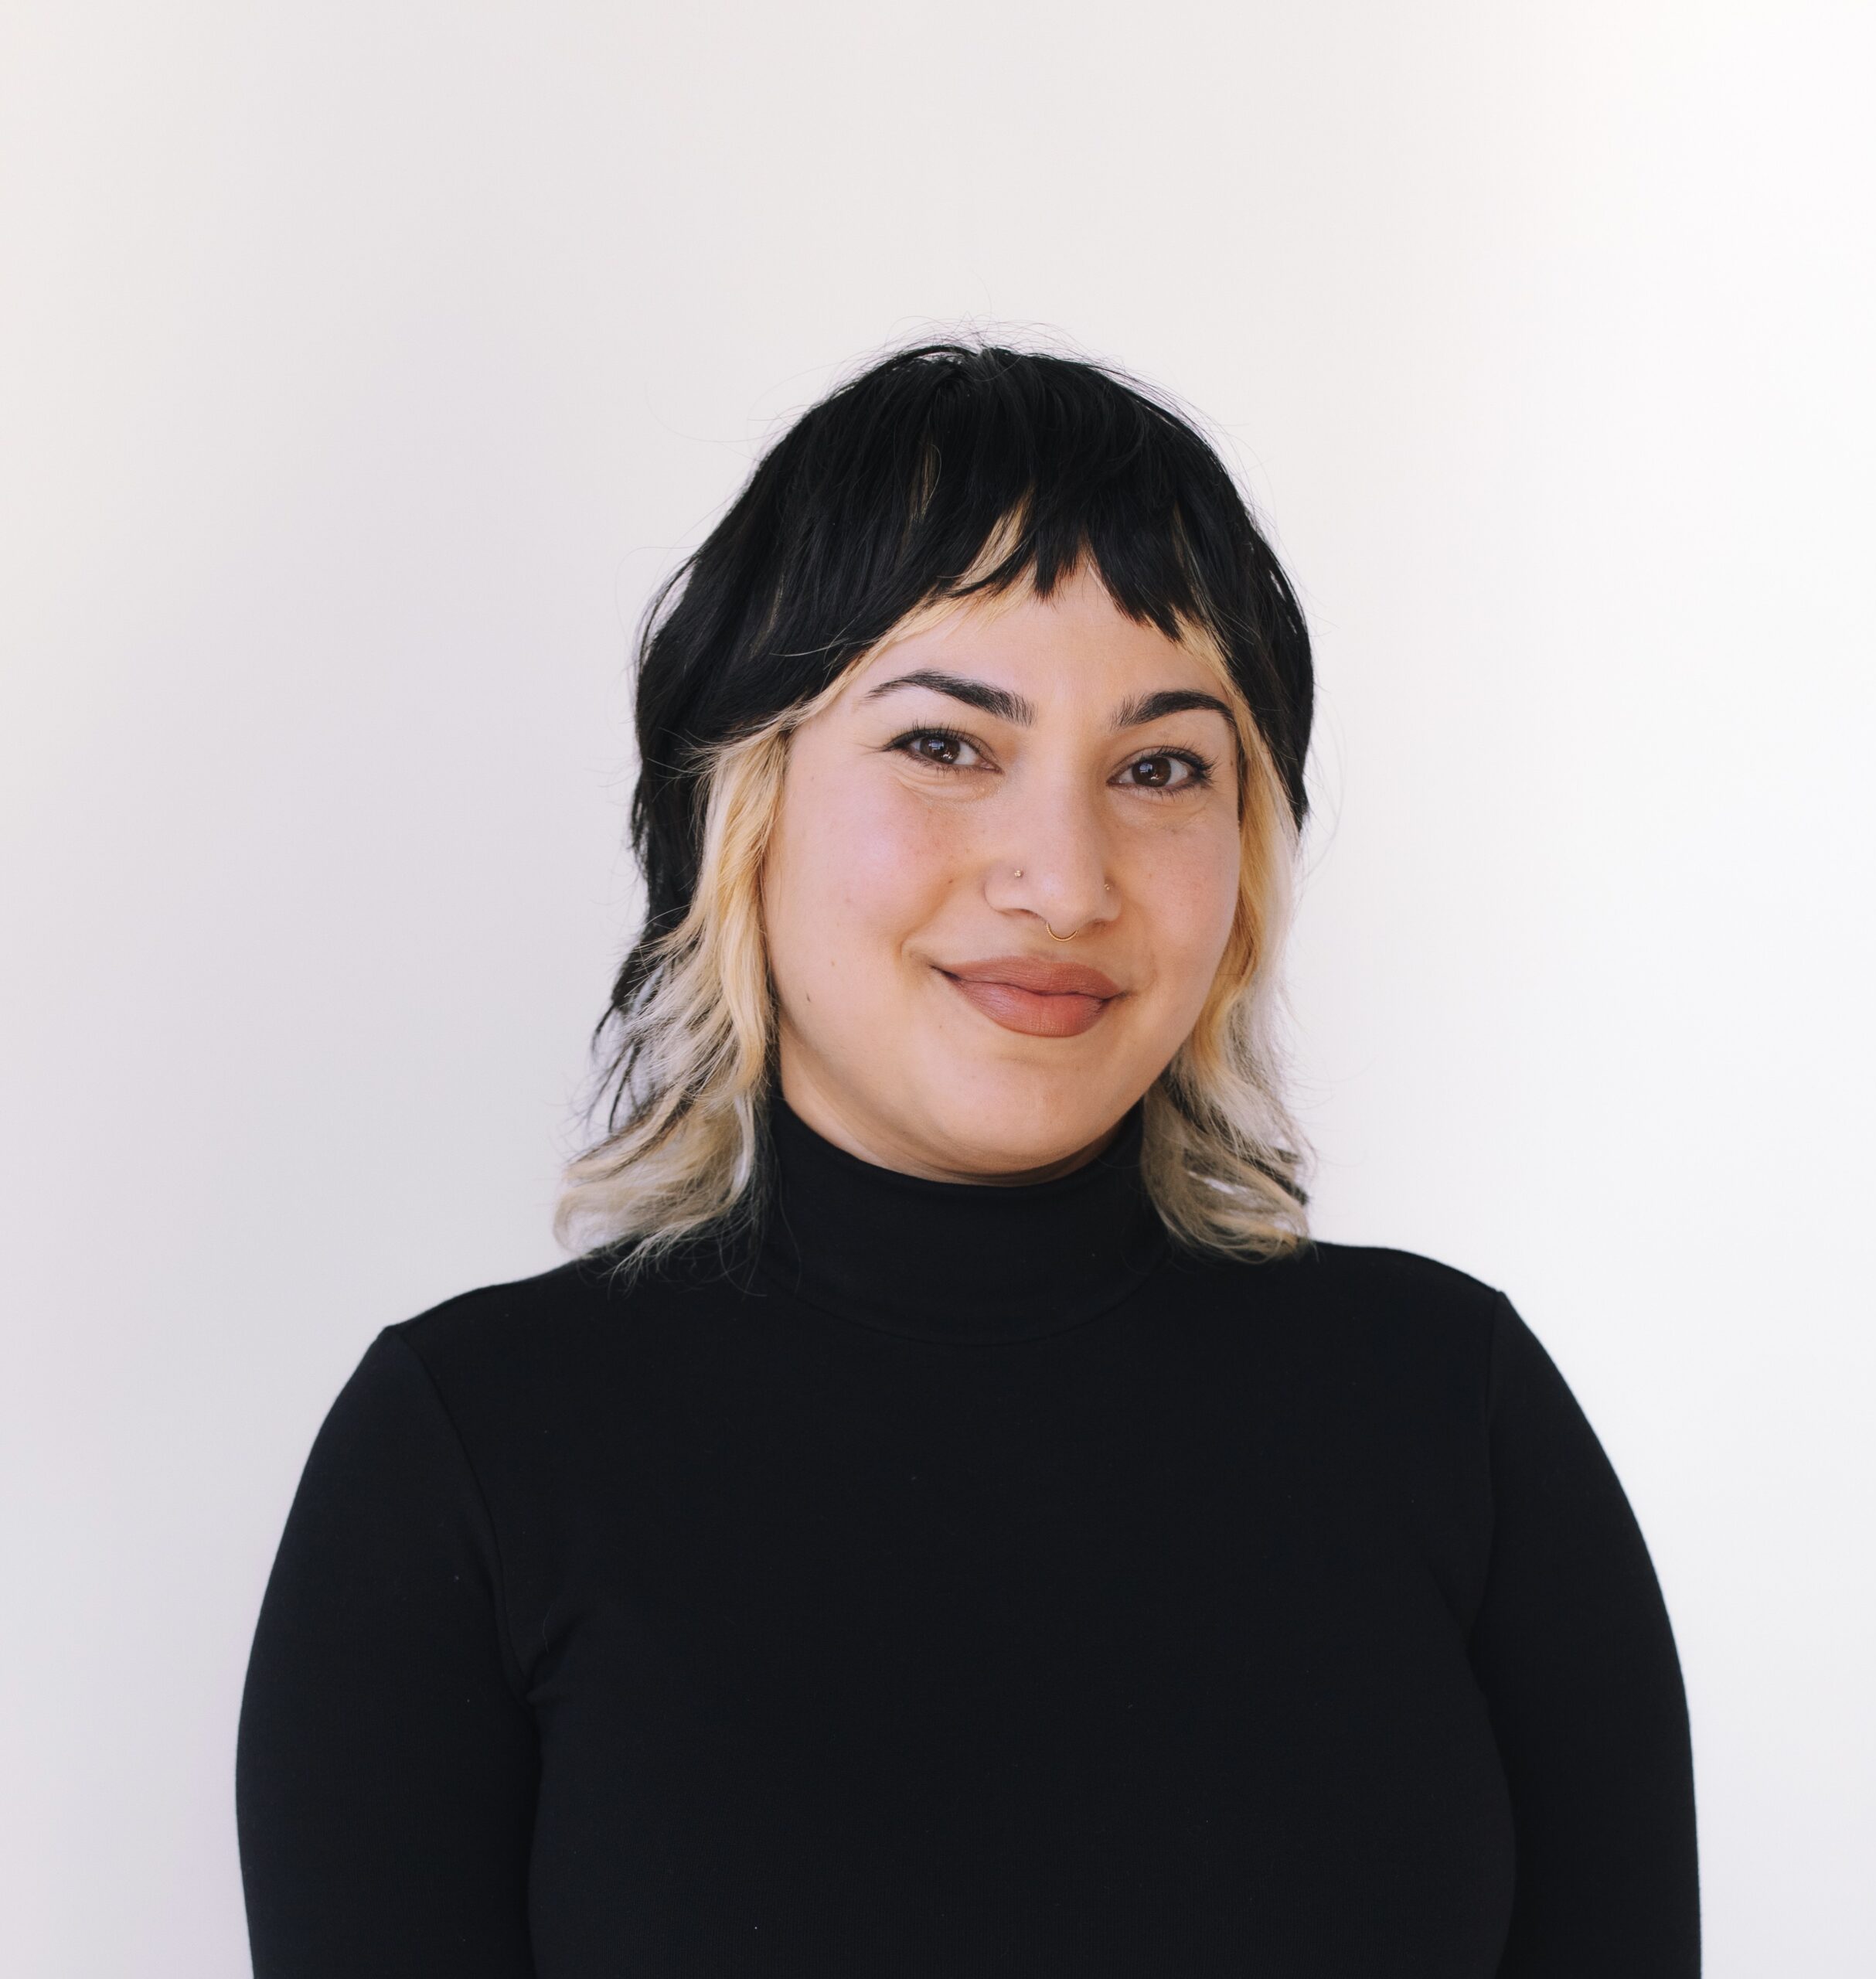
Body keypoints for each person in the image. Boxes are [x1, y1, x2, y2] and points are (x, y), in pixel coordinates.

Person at [236, 341, 1701, 1977]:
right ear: (745, 799)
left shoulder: (1461, 1418)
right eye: (945, 744)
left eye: (1159, 768)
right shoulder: (462, 1464)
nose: (1062, 878)